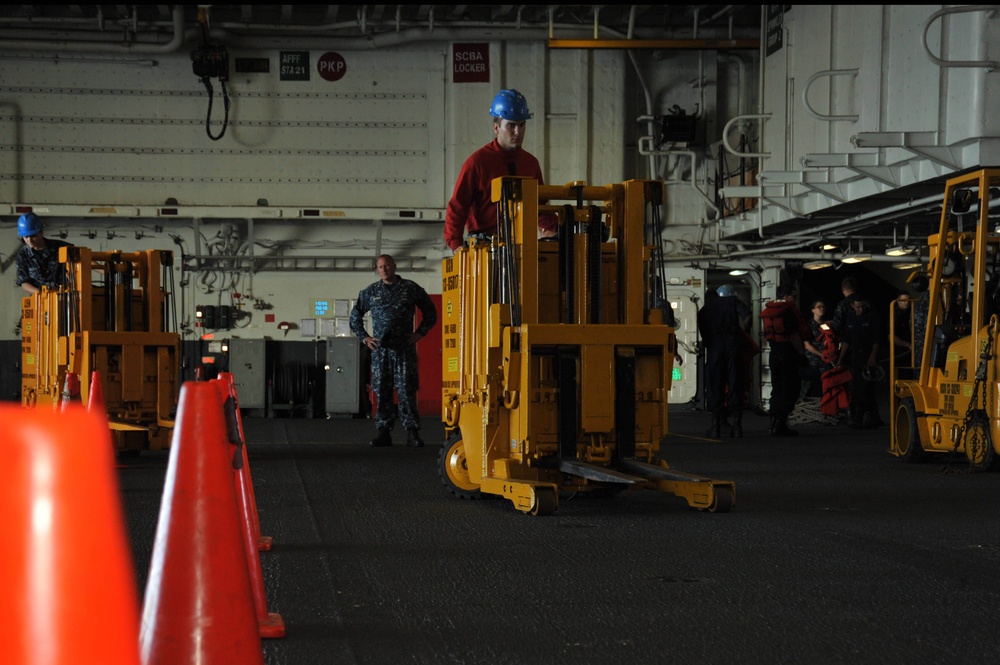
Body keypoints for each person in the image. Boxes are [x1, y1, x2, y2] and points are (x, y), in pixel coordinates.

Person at [443, 89, 558, 252]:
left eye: (522, 124)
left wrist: (564, 229)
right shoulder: (477, 163)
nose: (518, 132)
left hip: (522, 248)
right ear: (496, 127)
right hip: (485, 249)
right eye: (511, 125)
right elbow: (458, 206)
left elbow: (539, 209)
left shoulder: (531, 164)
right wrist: (456, 245)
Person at [350, 254, 438, 448]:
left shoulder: (410, 288)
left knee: (407, 389)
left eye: (387, 265)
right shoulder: (371, 292)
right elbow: (355, 316)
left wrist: (419, 333)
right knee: (382, 391)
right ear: (377, 269)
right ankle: (384, 431)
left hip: (403, 349)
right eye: (380, 267)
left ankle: (412, 432)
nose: (384, 269)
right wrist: (364, 337)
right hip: (381, 351)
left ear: (395, 266)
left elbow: (431, 312)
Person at [697, 284, 751, 438]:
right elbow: (747, 317)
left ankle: (716, 427)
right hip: (732, 343)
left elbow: (704, 336)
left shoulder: (703, 311)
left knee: (715, 384)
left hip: (715, 347)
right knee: (735, 382)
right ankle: (737, 426)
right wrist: (744, 333)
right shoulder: (732, 301)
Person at [759, 285, 811, 436]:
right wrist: (802, 355)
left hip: (774, 353)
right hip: (788, 354)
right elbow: (794, 335)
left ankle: (773, 423)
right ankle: (780, 424)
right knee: (791, 389)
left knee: (777, 389)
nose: (795, 299)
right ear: (787, 296)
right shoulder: (788, 311)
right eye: (793, 296)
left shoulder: (772, 311)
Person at [837, 296, 883, 429]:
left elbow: (876, 340)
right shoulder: (850, 318)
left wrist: (873, 357)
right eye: (857, 307)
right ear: (852, 305)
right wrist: (840, 359)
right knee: (857, 387)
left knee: (868, 387)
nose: (860, 309)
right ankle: (859, 415)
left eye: (862, 306)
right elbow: (846, 340)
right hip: (855, 357)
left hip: (868, 356)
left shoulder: (871, 317)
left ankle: (871, 415)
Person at [14, 212, 72, 295]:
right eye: (26, 237)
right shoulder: (23, 255)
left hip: (64, 298)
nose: (29, 240)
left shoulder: (60, 247)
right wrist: (43, 294)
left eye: (33, 236)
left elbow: (83, 259)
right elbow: (24, 283)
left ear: (41, 232)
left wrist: (97, 268)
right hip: (39, 301)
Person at [802, 300, 833, 397]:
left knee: (827, 387)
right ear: (813, 310)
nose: (822, 308)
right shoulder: (808, 325)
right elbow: (807, 345)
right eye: (819, 307)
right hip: (812, 362)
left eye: (823, 306)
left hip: (825, 361)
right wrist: (821, 354)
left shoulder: (827, 325)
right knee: (806, 387)